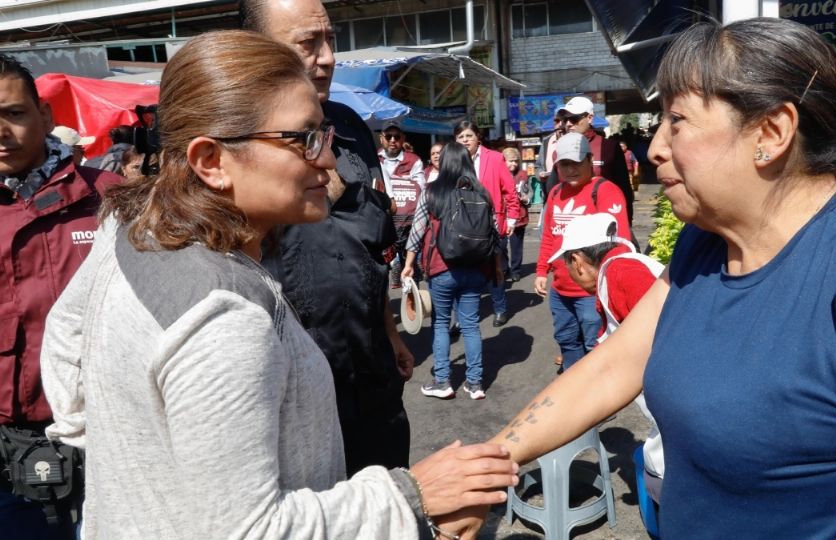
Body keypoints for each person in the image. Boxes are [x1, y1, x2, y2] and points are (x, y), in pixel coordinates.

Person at [442, 17, 836, 539]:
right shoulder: (706, 245)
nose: (656, 148)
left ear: (772, 133)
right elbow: (614, 366)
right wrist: (483, 471)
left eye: (677, 121)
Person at [40, 31, 518, 539]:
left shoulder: (128, 231)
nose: (328, 161)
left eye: (326, 136)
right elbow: (251, 531)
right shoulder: (222, 315)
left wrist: (149, 474)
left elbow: (67, 377)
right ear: (211, 161)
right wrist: (410, 494)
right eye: (304, 138)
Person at [241, 0, 416, 476]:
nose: (327, 57)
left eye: (330, 40)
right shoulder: (237, 144)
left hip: (372, 374)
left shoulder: (354, 128)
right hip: (294, 393)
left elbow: (370, 247)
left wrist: (389, 331)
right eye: (307, 43)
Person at [0, 54, 123, 539]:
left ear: (46, 116)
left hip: (106, 442)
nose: (1, 131)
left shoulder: (111, 199)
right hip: (9, 453)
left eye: (13, 113)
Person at [552, 212, 665, 502]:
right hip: (675, 409)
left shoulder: (619, 273)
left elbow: (666, 330)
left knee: (663, 481)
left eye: (566, 263)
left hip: (679, 413)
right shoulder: (620, 268)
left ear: (576, 261)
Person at [401, 143, 501, 401]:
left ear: (443, 162)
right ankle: (475, 383)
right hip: (476, 268)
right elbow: (494, 234)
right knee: (470, 326)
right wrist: (497, 269)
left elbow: (418, 229)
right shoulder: (483, 193)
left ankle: (443, 381)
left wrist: (409, 263)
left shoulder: (433, 192)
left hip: (442, 268)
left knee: (441, 324)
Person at [534, 132, 630, 372]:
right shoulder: (555, 193)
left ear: (590, 160)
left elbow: (619, 243)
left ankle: (601, 401)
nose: (570, 169)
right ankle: (574, 389)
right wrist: (541, 271)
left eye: (576, 162)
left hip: (591, 291)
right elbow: (550, 236)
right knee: (567, 342)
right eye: (564, 164)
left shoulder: (606, 191)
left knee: (596, 346)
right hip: (560, 290)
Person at [454, 121, 520, 327]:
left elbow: (510, 190)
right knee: (461, 271)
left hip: (491, 222)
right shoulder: (455, 159)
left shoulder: (495, 157)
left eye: (468, 136)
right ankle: (460, 318)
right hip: (462, 223)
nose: (465, 140)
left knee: (494, 268)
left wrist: (511, 217)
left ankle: (500, 308)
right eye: (461, 137)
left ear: (478, 137)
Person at [558, 96, 634, 224]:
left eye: (574, 118)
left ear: (590, 118)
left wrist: (626, 222)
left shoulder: (609, 147)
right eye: (565, 119)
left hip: (603, 224)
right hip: (568, 223)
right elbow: (553, 190)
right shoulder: (559, 148)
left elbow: (624, 188)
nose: (568, 123)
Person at [379, 123, 425, 288]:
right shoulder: (373, 158)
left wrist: (391, 181)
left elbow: (420, 187)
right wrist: (404, 181)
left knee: (411, 269)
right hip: (381, 224)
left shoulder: (414, 160)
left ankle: (414, 305)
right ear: (381, 138)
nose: (393, 140)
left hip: (407, 224)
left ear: (403, 139)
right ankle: (384, 308)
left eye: (397, 137)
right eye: (389, 136)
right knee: (380, 269)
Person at [502, 147, 531, 282]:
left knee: (516, 246)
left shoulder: (523, 174)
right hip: (502, 215)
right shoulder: (498, 173)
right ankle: (503, 268)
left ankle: (515, 270)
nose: (513, 164)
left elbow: (528, 191)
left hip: (519, 215)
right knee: (501, 245)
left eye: (515, 161)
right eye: (510, 161)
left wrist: (527, 198)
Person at [534, 115, 565, 228]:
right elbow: (538, 166)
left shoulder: (574, 141)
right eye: (557, 121)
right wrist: (540, 174)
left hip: (568, 194)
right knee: (545, 230)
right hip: (549, 194)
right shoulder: (547, 141)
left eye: (563, 121)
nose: (560, 124)